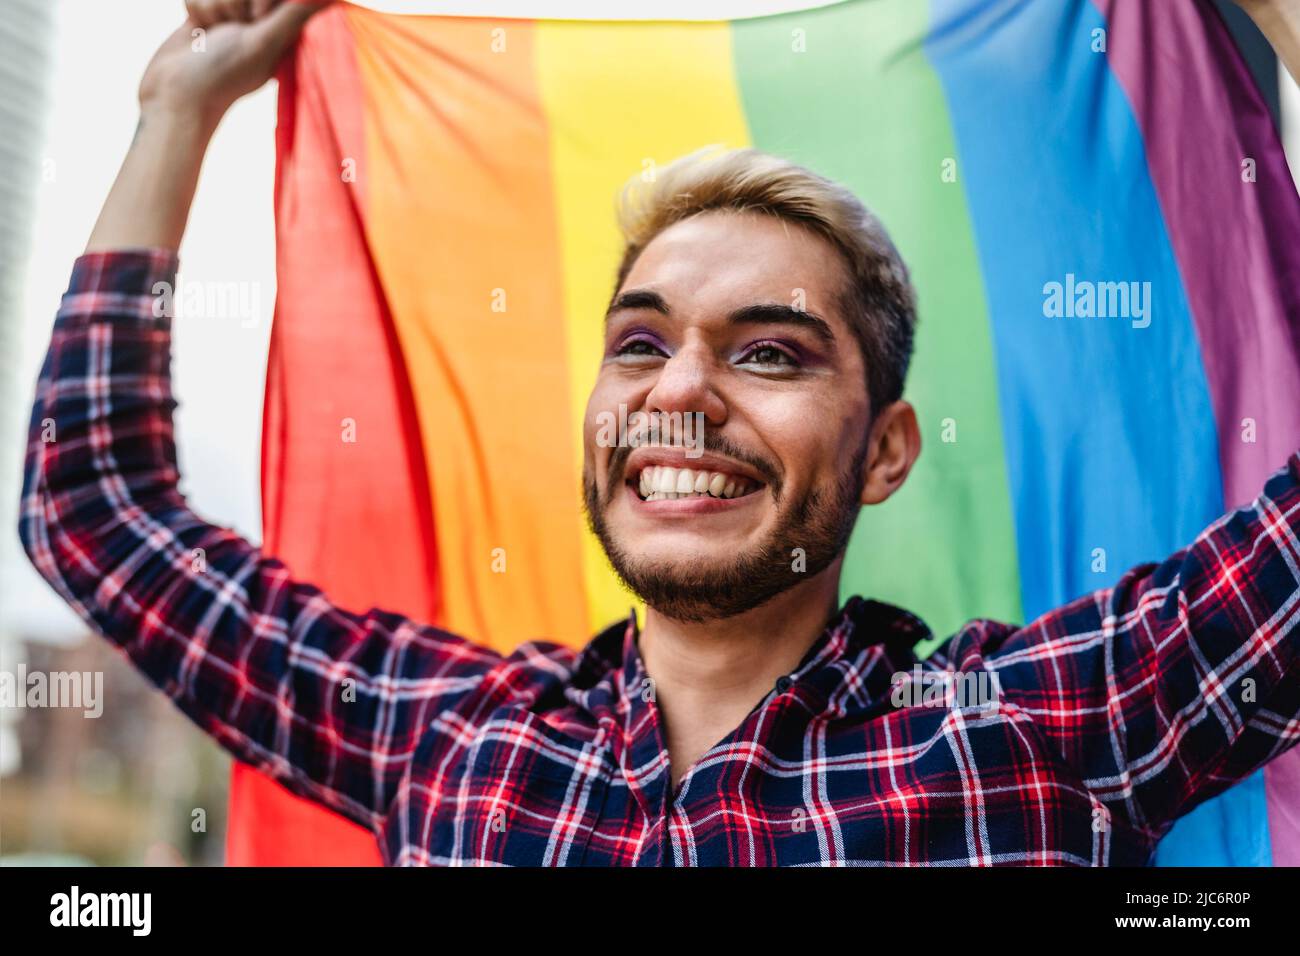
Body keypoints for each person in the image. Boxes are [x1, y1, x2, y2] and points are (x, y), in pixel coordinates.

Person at [19, 0, 1300, 866]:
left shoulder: (1039, 722)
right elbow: (96, 515)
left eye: (769, 351)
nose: (677, 392)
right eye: (640, 341)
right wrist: (177, 112)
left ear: (888, 447)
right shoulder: (453, 731)